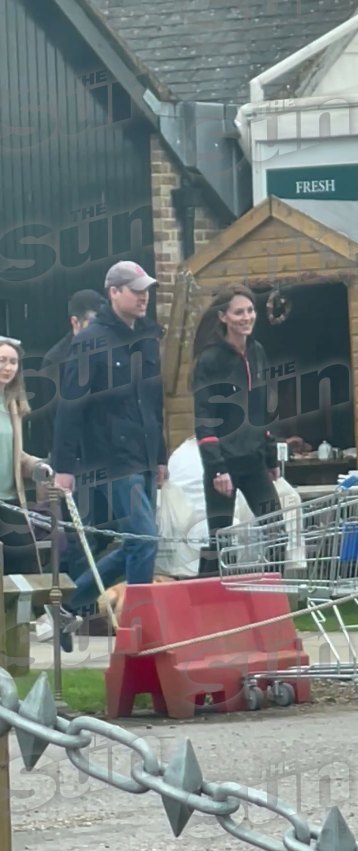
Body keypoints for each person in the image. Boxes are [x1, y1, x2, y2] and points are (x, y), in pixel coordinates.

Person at [51, 260, 169, 650]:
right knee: (144, 540)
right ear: (113, 292)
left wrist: (162, 456)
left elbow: (154, 402)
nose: (143, 297)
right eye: (135, 290)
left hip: (145, 456)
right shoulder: (90, 341)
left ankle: (68, 604)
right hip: (113, 461)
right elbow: (71, 406)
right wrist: (64, 466)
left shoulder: (148, 338)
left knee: (139, 542)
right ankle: (141, 630)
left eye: (146, 289)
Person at [191, 285, 281, 576]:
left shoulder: (258, 352)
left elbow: (264, 408)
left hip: (254, 461)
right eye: (239, 312)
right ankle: (207, 602)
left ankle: (273, 603)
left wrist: (271, 457)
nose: (246, 317)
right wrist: (217, 469)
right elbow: (205, 417)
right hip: (224, 465)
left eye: (250, 311)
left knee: (277, 531)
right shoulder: (210, 360)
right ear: (223, 317)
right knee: (220, 539)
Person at [37, 289, 107, 583]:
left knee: (108, 533)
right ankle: (77, 606)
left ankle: (86, 598)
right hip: (72, 462)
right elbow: (50, 417)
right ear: (75, 323)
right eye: (93, 324)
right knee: (81, 539)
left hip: (107, 458)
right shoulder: (56, 361)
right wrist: (53, 468)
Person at [0, 336, 51, 575]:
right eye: (1, 360)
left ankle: (28, 613)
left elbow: (14, 454)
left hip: (10, 500)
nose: (7, 367)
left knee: (26, 563)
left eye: (13, 362)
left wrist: (38, 466)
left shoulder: (12, 405)